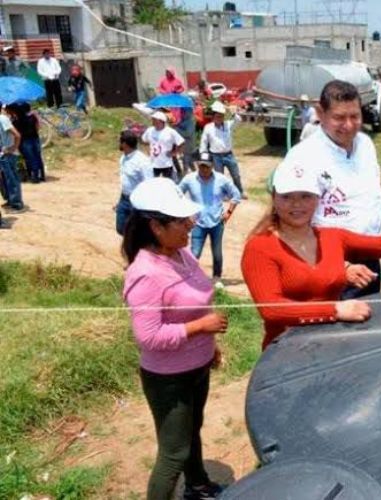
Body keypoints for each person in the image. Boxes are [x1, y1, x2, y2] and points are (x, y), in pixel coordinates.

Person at [241, 161, 381, 350]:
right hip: (285, 352)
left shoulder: (331, 237)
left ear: (318, 198)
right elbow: (272, 309)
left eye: (305, 196)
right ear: (274, 198)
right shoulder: (260, 248)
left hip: (330, 344)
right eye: (287, 196)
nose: (297, 204)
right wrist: (336, 310)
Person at [122, 178, 227, 500]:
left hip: (197, 366)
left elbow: (194, 303)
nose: (190, 225)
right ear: (156, 227)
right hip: (169, 378)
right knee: (173, 454)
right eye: (182, 221)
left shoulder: (182, 254)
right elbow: (148, 337)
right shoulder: (146, 274)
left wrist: (210, 345)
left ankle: (197, 486)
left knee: (191, 430)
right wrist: (199, 329)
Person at [275, 80, 381, 299]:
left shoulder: (366, 145)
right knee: (332, 329)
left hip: (369, 258)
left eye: (355, 116)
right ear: (321, 113)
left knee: (369, 323)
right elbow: (292, 224)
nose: (348, 125)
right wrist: (343, 267)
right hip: (327, 263)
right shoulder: (303, 158)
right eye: (339, 117)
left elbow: (370, 193)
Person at [179, 154, 241, 288]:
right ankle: (189, 276)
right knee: (195, 252)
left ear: (212, 166)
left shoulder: (222, 180)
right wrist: (186, 214)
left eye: (206, 166)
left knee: (217, 252)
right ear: (197, 165)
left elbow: (236, 195)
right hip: (197, 223)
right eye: (201, 166)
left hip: (217, 222)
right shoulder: (189, 179)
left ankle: (217, 278)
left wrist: (229, 212)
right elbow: (177, 194)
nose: (203, 169)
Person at [199, 101, 245, 198]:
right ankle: (223, 194)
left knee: (236, 175)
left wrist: (232, 111)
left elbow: (238, 120)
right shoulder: (208, 127)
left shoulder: (228, 125)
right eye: (217, 116)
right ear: (213, 117)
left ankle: (240, 192)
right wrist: (203, 154)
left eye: (221, 116)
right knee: (219, 177)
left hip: (229, 154)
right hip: (215, 156)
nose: (219, 118)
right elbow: (204, 142)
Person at [117, 130, 154, 235]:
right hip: (124, 198)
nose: (118, 144)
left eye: (120, 141)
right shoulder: (124, 157)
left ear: (124, 144)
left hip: (137, 201)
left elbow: (149, 184)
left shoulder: (142, 162)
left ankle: (132, 248)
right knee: (120, 228)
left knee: (135, 230)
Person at [7, 103, 45, 183]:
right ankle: (42, 175)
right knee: (38, 156)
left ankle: (34, 176)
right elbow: (38, 127)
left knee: (30, 158)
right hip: (35, 138)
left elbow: (15, 133)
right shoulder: (32, 117)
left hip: (25, 141)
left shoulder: (16, 121)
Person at [141, 111, 185, 179]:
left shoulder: (170, 131)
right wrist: (148, 149)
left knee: (167, 184)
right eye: (152, 118)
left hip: (166, 164)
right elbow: (143, 140)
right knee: (153, 184)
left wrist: (174, 153)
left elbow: (181, 142)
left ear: (161, 120)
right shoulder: (149, 130)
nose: (152, 120)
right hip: (153, 164)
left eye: (154, 119)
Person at [0, 105, 24, 212]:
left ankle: (17, 204)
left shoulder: (3, 119)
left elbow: (17, 135)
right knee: (5, 179)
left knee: (11, 179)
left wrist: (12, 148)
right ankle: (10, 200)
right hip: (3, 155)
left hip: (8, 155)